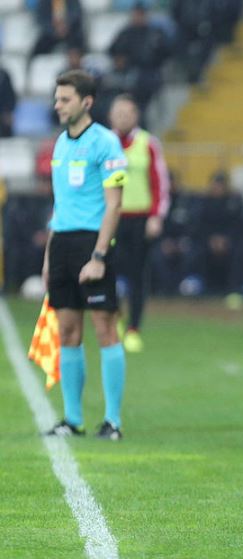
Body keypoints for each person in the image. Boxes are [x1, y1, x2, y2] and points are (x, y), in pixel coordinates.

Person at [43, 70, 128, 441]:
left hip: (93, 243)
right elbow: (60, 205)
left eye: (65, 99)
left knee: (105, 328)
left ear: (86, 102)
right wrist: (49, 257)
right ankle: (72, 419)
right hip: (62, 243)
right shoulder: (60, 144)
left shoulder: (106, 143)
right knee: (67, 331)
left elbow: (114, 205)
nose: (58, 105)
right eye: (57, 99)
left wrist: (99, 256)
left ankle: (113, 422)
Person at [109, 94, 170, 353]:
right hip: (112, 218)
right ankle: (114, 317)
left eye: (127, 113)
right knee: (108, 271)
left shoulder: (148, 143)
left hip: (139, 219)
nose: (122, 118)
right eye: (118, 113)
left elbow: (159, 182)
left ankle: (134, 327)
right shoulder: (104, 142)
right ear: (111, 116)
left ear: (136, 116)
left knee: (137, 274)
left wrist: (156, 216)